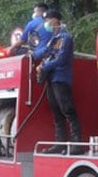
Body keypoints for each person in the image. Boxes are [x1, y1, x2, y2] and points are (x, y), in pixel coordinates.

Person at [36, 9, 84, 155]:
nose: (46, 24)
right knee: (56, 112)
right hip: (51, 80)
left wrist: (44, 66)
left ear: (55, 20)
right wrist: (33, 55)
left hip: (61, 78)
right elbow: (45, 52)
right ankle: (60, 143)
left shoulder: (66, 38)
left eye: (47, 20)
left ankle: (77, 144)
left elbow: (61, 59)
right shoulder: (53, 39)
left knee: (68, 110)